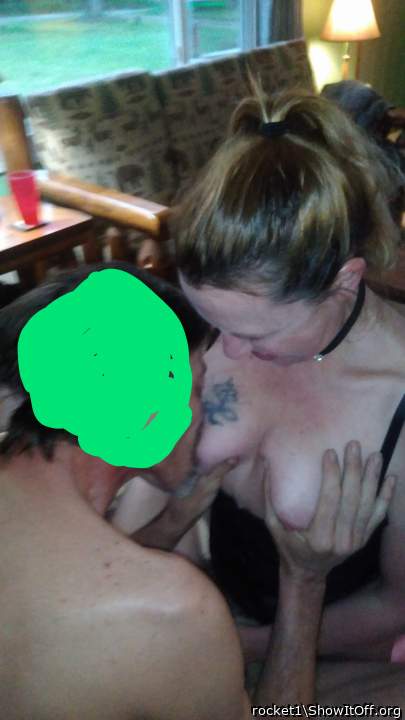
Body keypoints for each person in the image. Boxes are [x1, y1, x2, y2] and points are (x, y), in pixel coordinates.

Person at [0, 260, 400, 718]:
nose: (203, 416)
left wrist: (172, 521)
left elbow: (67, 591)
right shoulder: (173, 609)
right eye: (198, 388)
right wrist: (303, 581)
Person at [168, 86, 405, 671]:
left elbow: (394, 609)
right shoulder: (222, 326)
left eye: (256, 334)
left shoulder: (397, 393)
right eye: (213, 321)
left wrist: (232, 643)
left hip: (334, 656)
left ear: (345, 282)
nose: (226, 350)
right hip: (192, 618)